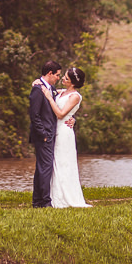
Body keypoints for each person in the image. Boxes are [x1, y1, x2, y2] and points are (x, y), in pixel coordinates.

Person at [41, 66, 92, 208]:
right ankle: (52, 195)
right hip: (55, 130)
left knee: (63, 163)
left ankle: (65, 197)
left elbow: (61, 114)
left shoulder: (75, 96)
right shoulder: (62, 92)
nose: (62, 78)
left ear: (73, 82)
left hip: (64, 132)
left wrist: (49, 98)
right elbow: (47, 89)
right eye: (63, 76)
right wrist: (37, 83)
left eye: (66, 78)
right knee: (55, 163)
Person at [28, 60, 64, 207]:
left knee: (41, 168)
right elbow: (34, 115)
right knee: (45, 168)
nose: (58, 78)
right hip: (43, 135)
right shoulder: (37, 90)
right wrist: (43, 134)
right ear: (50, 73)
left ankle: (38, 201)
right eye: (57, 75)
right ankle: (45, 201)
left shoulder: (51, 89)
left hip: (49, 134)